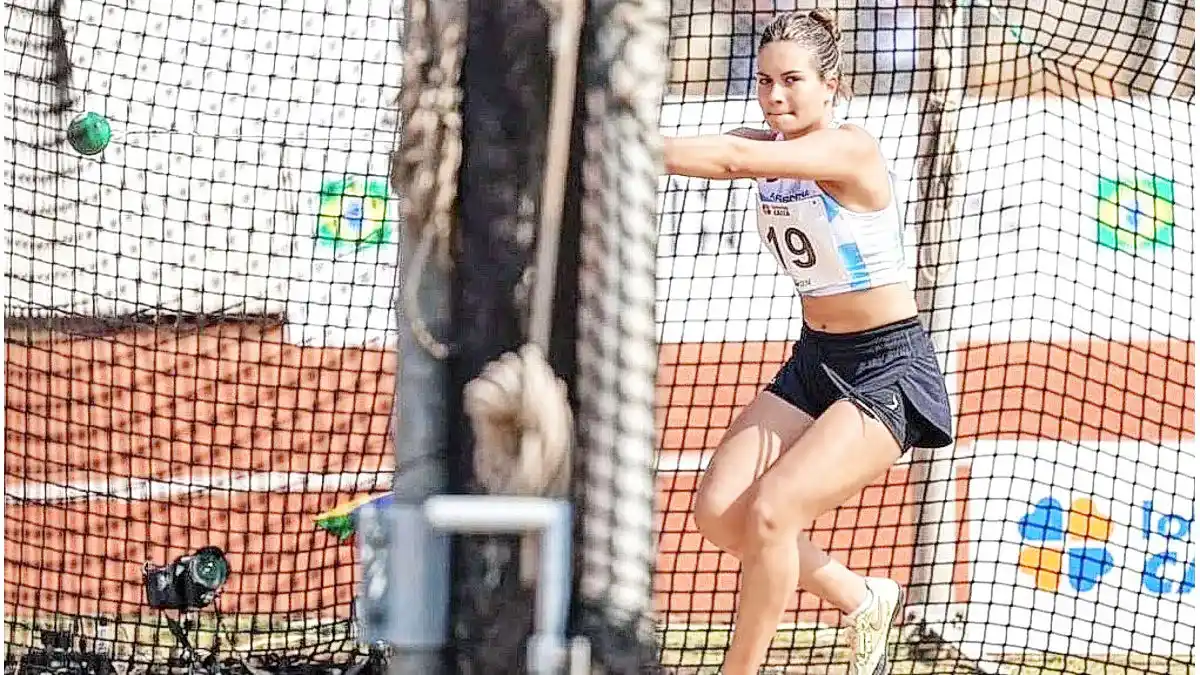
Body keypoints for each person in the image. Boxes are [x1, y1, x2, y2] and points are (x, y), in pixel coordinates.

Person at [659, 8, 955, 675]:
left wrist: (619, 135)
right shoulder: (765, 142)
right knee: (718, 512)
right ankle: (861, 594)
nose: (774, 96)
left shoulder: (849, 148)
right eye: (764, 81)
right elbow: (715, 149)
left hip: (889, 366)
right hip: (817, 360)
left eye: (792, 80)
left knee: (771, 513)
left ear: (832, 85)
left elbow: (735, 159)